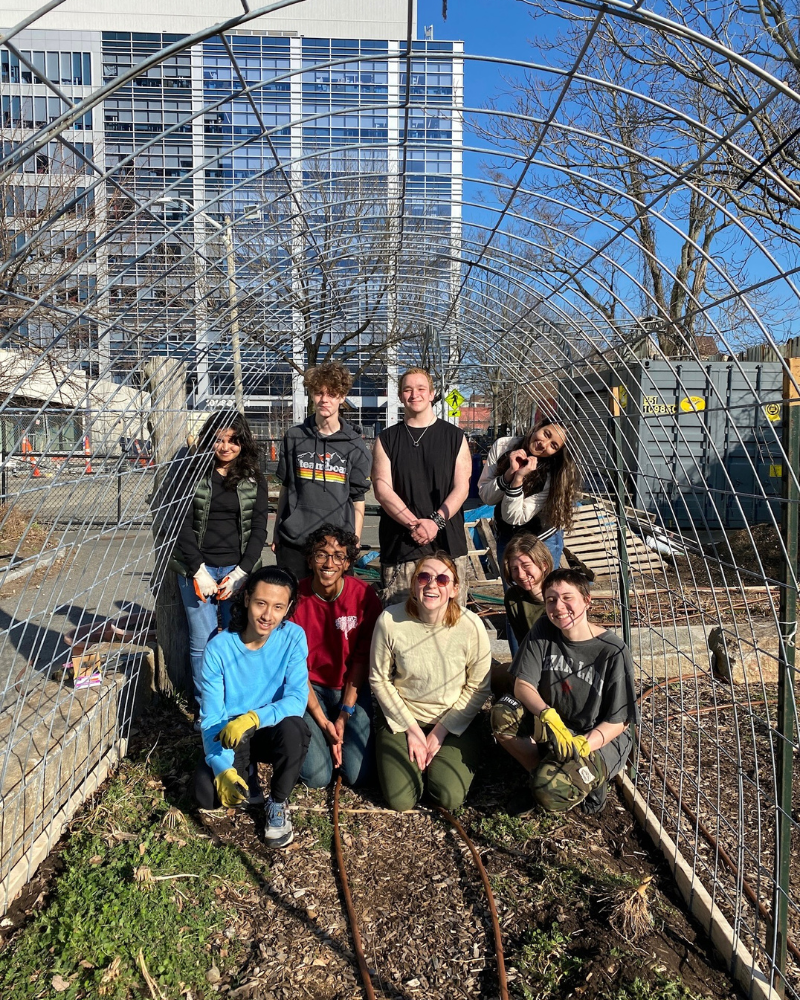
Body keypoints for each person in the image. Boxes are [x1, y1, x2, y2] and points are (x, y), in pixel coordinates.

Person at [491, 569, 638, 816]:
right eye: (551, 600)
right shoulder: (543, 630)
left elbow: (619, 720)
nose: (559, 607)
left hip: (598, 738)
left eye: (567, 597)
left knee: (549, 793)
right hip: (556, 724)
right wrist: (547, 714)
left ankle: (588, 782)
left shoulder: (612, 650)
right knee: (503, 713)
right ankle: (539, 771)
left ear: (587, 600)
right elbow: (522, 684)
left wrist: (584, 745)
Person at [193, 567, 311, 848]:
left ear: (288, 608)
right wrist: (221, 767)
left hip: (271, 726)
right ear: (246, 599)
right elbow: (211, 717)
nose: (268, 615)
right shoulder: (219, 648)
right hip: (232, 732)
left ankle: (278, 802)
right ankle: (246, 774)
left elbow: (297, 698)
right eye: (261, 603)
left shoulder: (293, 637)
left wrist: (255, 717)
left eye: (278, 607)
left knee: (295, 728)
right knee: (205, 795)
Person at [166, 411, 269, 722]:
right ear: (208, 440)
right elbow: (180, 524)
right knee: (203, 642)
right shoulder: (191, 473)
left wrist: (241, 573)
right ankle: (207, 708)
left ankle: (235, 702)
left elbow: (259, 528)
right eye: (219, 440)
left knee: (238, 637)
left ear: (243, 442)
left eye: (233, 440)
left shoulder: (254, 477)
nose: (226, 447)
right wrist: (198, 571)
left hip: (237, 570)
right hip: (198, 570)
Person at [369, 553, 491, 812]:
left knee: (447, 796)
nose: (432, 584)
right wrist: (411, 729)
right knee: (401, 800)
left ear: (454, 589)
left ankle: (459, 754)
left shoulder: (471, 626)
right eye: (424, 577)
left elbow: (478, 687)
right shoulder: (390, 620)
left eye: (442, 579)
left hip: (453, 718)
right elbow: (379, 679)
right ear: (414, 585)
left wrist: (440, 731)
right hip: (403, 716)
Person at [291, 524, 382, 788]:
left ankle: (334, 737)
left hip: (350, 688)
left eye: (338, 556)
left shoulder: (363, 595)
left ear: (348, 563)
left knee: (358, 776)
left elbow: (362, 657)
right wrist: (324, 723)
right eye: (321, 554)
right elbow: (295, 667)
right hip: (309, 689)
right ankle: (312, 736)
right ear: (310, 560)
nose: (329, 563)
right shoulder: (295, 598)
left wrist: (344, 714)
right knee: (317, 778)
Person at [372, 368, 472, 605]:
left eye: (420, 389)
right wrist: (414, 524)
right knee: (400, 619)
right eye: (407, 389)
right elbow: (382, 489)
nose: (414, 394)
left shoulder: (455, 437)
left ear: (431, 394)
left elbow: (462, 487)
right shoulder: (386, 439)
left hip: (448, 546)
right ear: (400, 396)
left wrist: (435, 522)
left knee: (450, 619)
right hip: (402, 548)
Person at [273, 361, 372, 580]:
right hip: (294, 543)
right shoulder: (294, 437)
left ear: (342, 397)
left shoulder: (355, 445)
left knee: (335, 601)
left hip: (336, 545)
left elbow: (358, 498)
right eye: (319, 393)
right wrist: (277, 530)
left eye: (332, 394)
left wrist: (355, 541)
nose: (324, 399)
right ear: (312, 394)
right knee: (293, 599)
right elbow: (286, 487)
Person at [477, 418, 578, 571]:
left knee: (541, 585)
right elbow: (487, 497)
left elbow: (515, 517)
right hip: (506, 534)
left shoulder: (553, 475)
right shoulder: (504, 446)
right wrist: (509, 474)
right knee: (511, 584)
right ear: (538, 427)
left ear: (557, 453)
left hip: (541, 538)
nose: (543, 444)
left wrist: (518, 479)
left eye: (553, 445)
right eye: (546, 434)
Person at [502, 533, 554, 646]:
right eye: (514, 568)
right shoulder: (514, 598)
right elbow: (523, 644)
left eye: (526, 566)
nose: (521, 575)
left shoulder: (561, 596)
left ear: (544, 565)